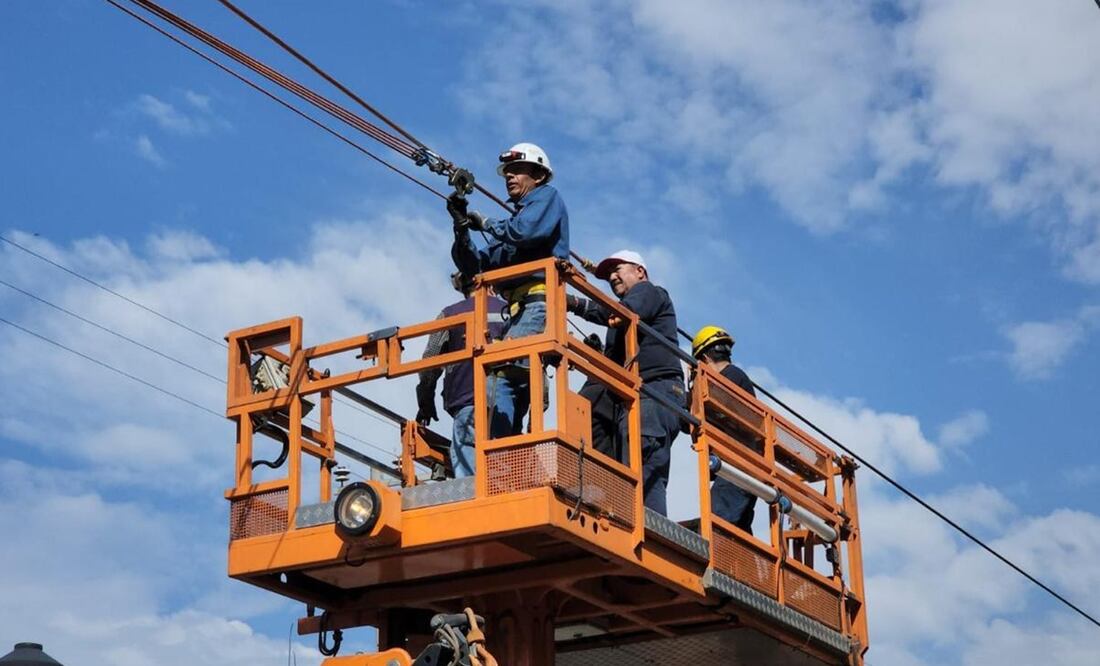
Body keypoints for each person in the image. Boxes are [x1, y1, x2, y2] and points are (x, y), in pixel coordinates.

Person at [449, 142, 569, 438]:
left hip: (539, 303)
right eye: (507, 172)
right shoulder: (512, 225)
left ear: (538, 176)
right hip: (518, 313)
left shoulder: (547, 198)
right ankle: (510, 452)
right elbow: (475, 266)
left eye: (517, 170)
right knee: (513, 381)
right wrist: (461, 226)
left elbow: (526, 232)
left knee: (499, 372)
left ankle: (499, 451)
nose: (509, 176)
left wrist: (487, 223)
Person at [566, 250, 685, 516]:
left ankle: (651, 531)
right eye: (608, 274)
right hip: (638, 395)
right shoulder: (621, 326)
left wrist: (575, 302)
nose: (612, 277)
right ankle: (614, 505)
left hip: (655, 391)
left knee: (641, 463)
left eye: (617, 269)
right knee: (627, 463)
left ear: (640, 271)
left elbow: (623, 312)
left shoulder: (649, 292)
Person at [416, 272, 507, 478]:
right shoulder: (510, 311)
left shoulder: (450, 314)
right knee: (504, 465)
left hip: (468, 402)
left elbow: (430, 360)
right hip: (507, 406)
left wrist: (425, 400)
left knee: (469, 473)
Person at [692, 325, 757, 534]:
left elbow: (701, 415)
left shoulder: (727, 380)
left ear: (703, 359)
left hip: (737, 464)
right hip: (745, 466)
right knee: (739, 532)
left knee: (714, 526)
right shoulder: (737, 378)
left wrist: (693, 391)